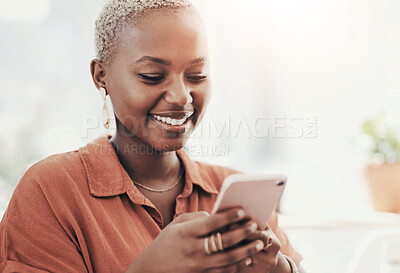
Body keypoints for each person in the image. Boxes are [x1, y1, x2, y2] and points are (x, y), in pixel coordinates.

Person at [0, 0, 305, 272]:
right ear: (100, 76)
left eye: (196, 76)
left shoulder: (231, 191)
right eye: (152, 76)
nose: (181, 96)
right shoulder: (51, 191)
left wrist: (281, 270)